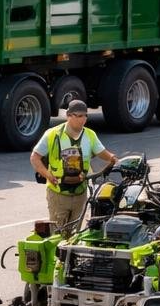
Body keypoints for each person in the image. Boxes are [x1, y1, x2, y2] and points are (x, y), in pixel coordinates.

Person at [29, 99, 118, 236]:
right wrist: (48, 175)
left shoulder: (90, 135)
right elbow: (35, 158)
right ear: (69, 115)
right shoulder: (52, 134)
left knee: (75, 234)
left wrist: (113, 159)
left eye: (84, 116)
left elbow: (103, 154)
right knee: (58, 234)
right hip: (58, 194)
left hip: (80, 193)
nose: (82, 119)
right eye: (78, 115)